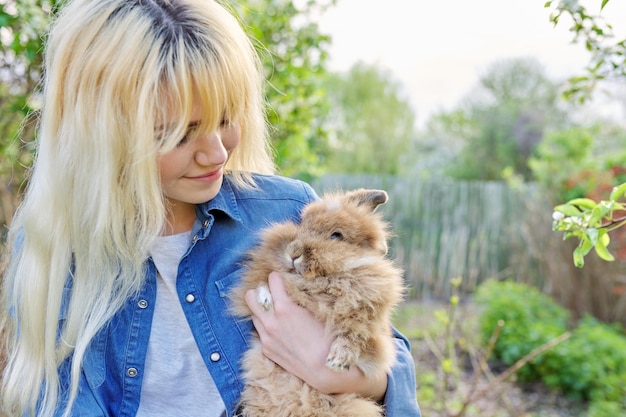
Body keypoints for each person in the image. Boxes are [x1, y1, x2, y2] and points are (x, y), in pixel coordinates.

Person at [0, 0, 422, 416]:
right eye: (181, 135)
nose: (217, 153)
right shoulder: (54, 250)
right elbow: (56, 401)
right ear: (104, 135)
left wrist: (347, 377)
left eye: (225, 119)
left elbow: (390, 358)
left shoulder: (290, 214)